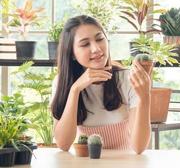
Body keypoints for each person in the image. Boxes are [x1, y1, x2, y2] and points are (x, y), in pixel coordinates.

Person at [51, 15, 151, 154]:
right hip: (86, 163)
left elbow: (139, 147)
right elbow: (63, 144)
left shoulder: (126, 79)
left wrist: (144, 97)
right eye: (85, 44)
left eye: (99, 39)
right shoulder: (62, 83)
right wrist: (75, 90)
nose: (96, 48)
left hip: (124, 163)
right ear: (72, 53)